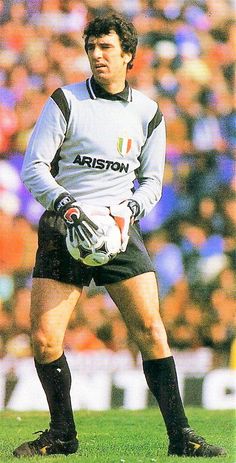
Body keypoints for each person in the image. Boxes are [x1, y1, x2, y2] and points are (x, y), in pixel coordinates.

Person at [13, 13, 226, 458]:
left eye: (106, 47)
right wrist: (67, 206)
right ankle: (62, 435)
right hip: (64, 223)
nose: (97, 55)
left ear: (128, 55)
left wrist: (129, 210)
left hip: (118, 229)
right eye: (91, 47)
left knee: (151, 329)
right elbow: (34, 167)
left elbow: (151, 182)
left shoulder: (148, 113)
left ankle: (181, 436)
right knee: (46, 339)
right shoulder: (65, 101)